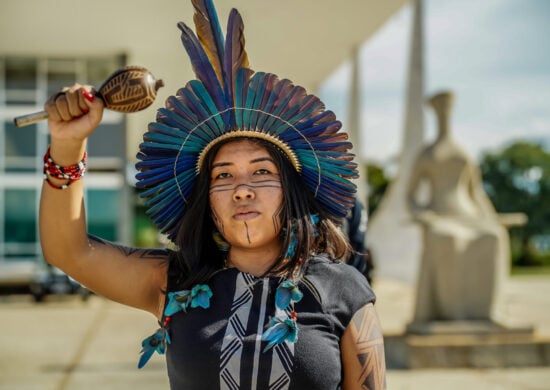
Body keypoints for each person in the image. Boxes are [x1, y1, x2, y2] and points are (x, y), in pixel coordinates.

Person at [39, 0, 386, 388]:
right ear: (208, 200)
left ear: (292, 192)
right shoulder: (175, 280)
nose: (241, 189)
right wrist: (67, 147)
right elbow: (69, 251)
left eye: (261, 171)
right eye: (223, 175)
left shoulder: (346, 290)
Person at [406, 90, 510, 328]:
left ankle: (487, 311)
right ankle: (453, 313)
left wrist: (491, 217)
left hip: (468, 214)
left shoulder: (464, 152)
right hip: (439, 216)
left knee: (493, 236)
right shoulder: (427, 153)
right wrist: (421, 214)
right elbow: (410, 196)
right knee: (447, 239)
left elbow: (477, 192)